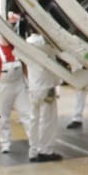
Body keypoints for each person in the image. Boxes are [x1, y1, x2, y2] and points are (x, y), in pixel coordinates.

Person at [24, 30, 64, 162]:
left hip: (33, 86)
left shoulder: (27, 42)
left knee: (34, 119)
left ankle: (33, 150)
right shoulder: (45, 44)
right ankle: (45, 150)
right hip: (46, 87)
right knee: (47, 120)